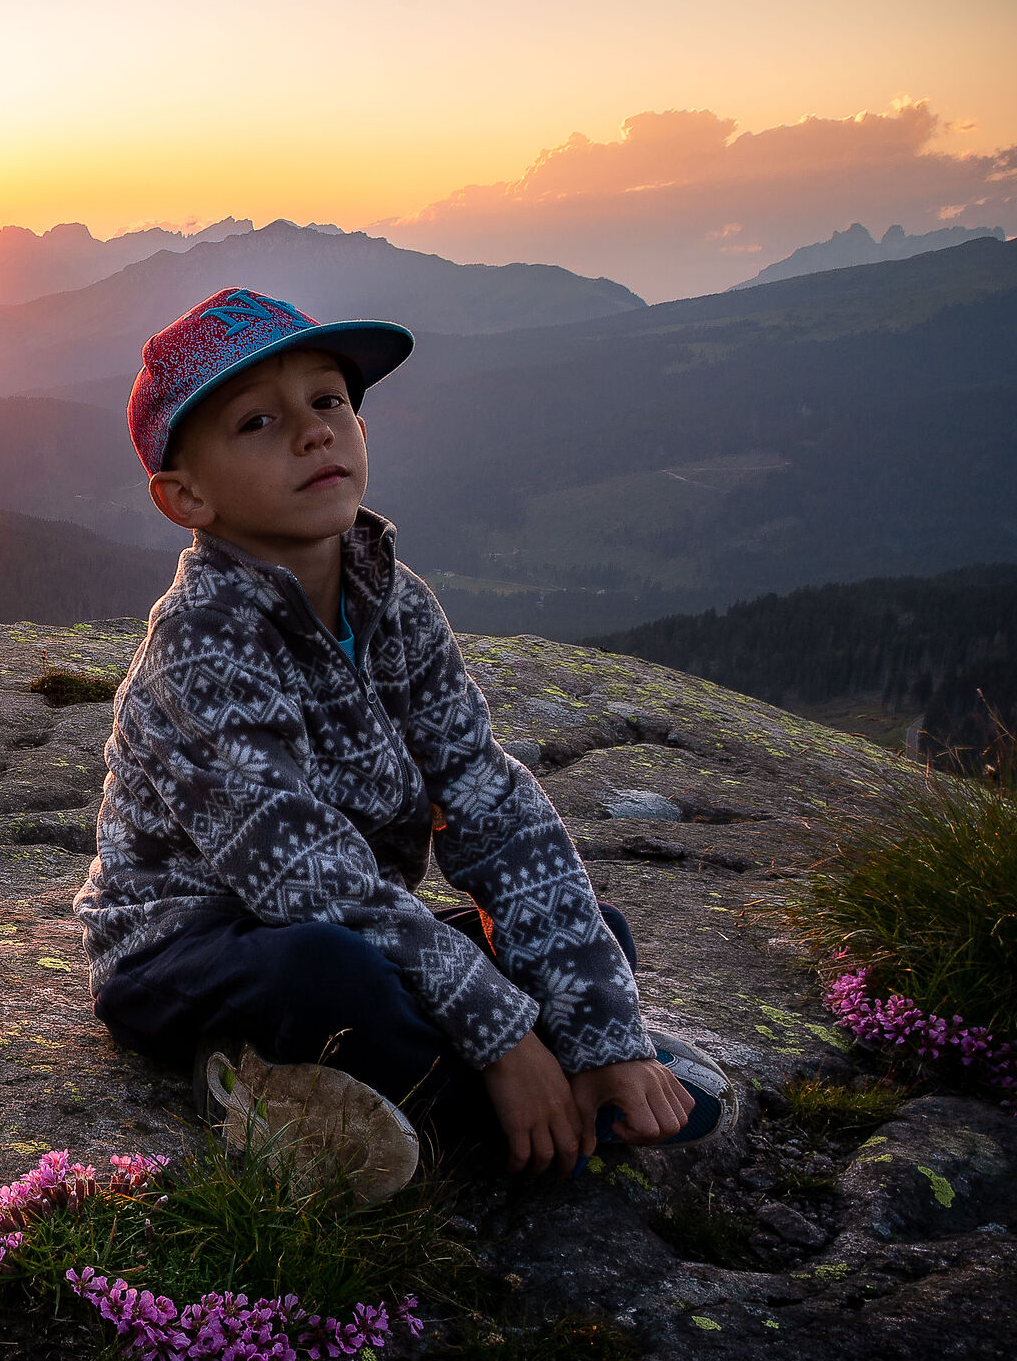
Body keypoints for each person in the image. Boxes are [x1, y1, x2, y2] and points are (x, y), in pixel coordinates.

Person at [75, 287, 734, 1201]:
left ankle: (477, 1092)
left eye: (329, 402)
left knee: (588, 938)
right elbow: (302, 880)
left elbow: (494, 811)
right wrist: (509, 1036)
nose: (313, 434)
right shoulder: (201, 646)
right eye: (259, 421)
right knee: (331, 970)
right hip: (193, 951)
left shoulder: (395, 603)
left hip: (352, 913)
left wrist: (603, 1030)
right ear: (185, 495)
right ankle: (330, 1085)